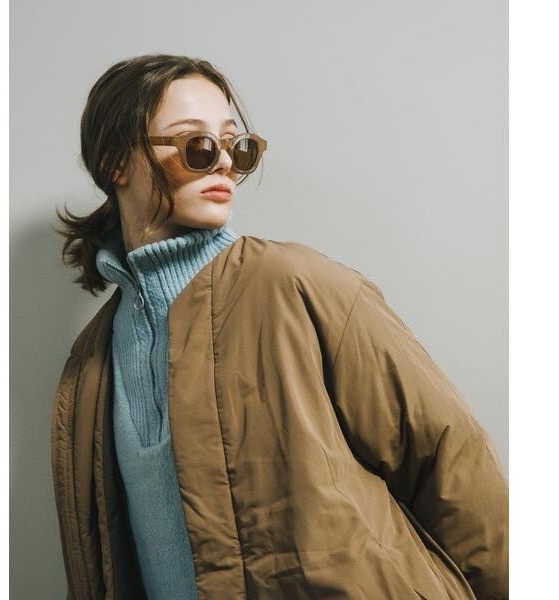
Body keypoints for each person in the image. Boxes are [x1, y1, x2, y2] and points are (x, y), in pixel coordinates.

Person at [51, 53, 508, 600]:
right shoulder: (91, 361)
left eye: (235, 146)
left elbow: (455, 469)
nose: (224, 163)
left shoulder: (296, 285)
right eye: (197, 145)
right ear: (115, 162)